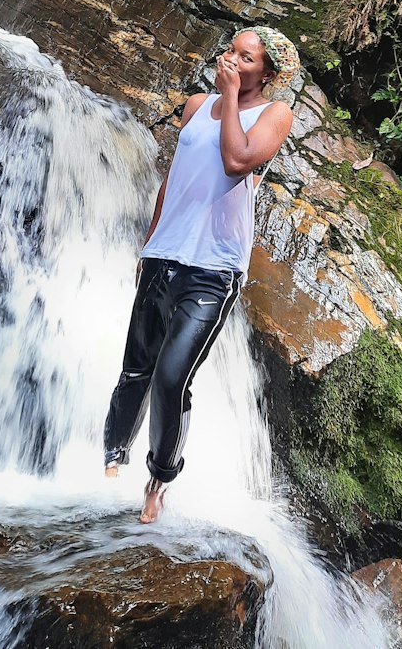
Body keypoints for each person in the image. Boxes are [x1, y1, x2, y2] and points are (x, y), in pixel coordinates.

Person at [103, 26, 299, 523]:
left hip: (213, 269)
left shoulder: (274, 114)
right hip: (165, 255)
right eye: (230, 51)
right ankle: (111, 461)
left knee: (171, 378)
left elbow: (236, 161)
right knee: (135, 368)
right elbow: (174, 178)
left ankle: (159, 478)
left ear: (268, 73)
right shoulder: (195, 105)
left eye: (245, 57)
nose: (231, 60)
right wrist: (149, 245)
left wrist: (231, 96)